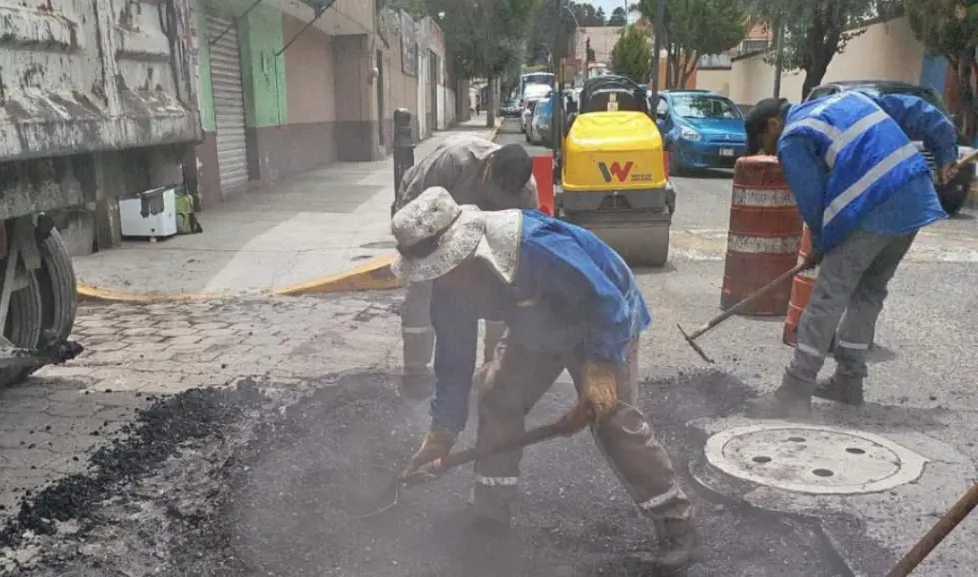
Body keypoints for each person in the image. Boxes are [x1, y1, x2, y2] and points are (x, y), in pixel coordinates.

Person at [390, 187, 699, 572]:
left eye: (442, 268)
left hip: (602, 321)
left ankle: (676, 522)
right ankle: (490, 511)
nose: (440, 279)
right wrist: (442, 432)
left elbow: (606, 301)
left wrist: (600, 368)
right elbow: (454, 363)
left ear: (464, 246)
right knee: (497, 395)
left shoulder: (533, 246)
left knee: (612, 419)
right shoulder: (448, 290)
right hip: (537, 326)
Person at [742, 92, 958, 417]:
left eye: (763, 141)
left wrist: (819, 242)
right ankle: (849, 381)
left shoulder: (794, 135)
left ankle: (795, 390)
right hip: (914, 199)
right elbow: (921, 111)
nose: (768, 151)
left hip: (873, 203)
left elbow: (812, 199)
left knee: (829, 295)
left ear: (773, 123)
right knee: (868, 292)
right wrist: (946, 152)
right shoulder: (851, 100)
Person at [392, 135, 538, 399]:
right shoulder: (454, 160)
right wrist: (413, 247)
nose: (498, 198)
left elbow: (526, 238)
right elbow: (413, 208)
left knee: (500, 291)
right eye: (495, 189)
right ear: (488, 166)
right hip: (434, 225)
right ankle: (416, 372)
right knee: (422, 291)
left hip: (485, 233)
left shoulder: (527, 191)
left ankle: (490, 372)